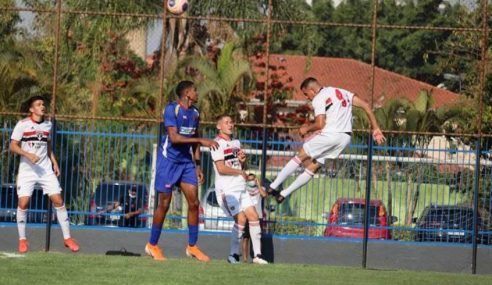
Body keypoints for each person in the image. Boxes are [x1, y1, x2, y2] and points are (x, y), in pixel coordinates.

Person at [268, 77, 386, 203]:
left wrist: (306, 129)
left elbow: (320, 124)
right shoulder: (342, 92)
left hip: (331, 135)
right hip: (345, 139)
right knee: (314, 166)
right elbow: (366, 106)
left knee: (301, 155)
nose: (307, 97)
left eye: (306, 94)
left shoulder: (319, 98)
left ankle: (272, 186)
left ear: (312, 90)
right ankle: (284, 194)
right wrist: (376, 128)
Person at [145, 80, 218, 262]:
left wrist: (198, 165)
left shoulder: (195, 113)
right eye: (194, 90)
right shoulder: (172, 109)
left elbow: (193, 139)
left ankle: (192, 246)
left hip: (186, 163)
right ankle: (152, 245)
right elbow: (175, 138)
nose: (197, 92)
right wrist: (202, 141)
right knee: (164, 204)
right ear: (186, 93)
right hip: (168, 161)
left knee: (194, 203)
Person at [10, 95, 80, 253]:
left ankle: (67, 238)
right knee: (23, 203)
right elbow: (13, 146)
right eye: (38, 104)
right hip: (27, 171)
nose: (42, 106)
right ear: (31, 109)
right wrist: (27, 155)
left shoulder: (48, 125)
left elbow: (47, 147)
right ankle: (22, 240)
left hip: (45, 170)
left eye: (43, 104)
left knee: (58, 200)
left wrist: (54, 161)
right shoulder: (22, 125)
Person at [211, 115, 268, 265]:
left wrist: (242, 163)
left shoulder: (236, 142)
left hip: (241, 187)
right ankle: (233, 255)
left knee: (254, 216)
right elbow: (221, 168)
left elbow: (238, 166)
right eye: (226, 122)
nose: (230, 125)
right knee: (241, 218)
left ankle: (257, 256)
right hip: (227, 190)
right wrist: (240, 172)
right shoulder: (216, 144)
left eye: (231, 122)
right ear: (219, 126)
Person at [242, 173, 267, 263]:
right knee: (245, 238)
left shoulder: (261, 189)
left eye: (253, 179)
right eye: (249, 180)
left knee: (257, 237)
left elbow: (264, 195)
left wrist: (258, 184)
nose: (251, 182)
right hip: (247, 216)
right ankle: (245, 259)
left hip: (258, 216)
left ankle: (257, 256)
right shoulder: (245, 190)